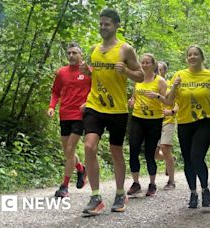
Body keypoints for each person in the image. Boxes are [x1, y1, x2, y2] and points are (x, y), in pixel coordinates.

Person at [82, 8, 144, 215]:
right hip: (94, 105)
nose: (102, 27)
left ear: (116, 25)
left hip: (117, 109)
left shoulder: (125, 49)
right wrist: (86, 72)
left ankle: (119, 194)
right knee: (89, 147)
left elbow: (141, 76)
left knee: (116, 151)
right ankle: (96, 196)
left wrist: (126, 71)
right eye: (100, 23)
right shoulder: (94, 49)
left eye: (107, 24)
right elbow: (97, 74)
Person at [166, 45, 210, 208]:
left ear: (202, 58)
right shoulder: (179, 75)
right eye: (189, 55)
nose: (192, 57)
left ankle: (205, 189)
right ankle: (193, 193)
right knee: (188, 160)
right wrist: (175, 86)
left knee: (196, 156)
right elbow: (169, 100)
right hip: (184, 122)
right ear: (186, 58)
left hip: (203, 121)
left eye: (195, 54)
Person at [48, 42, 91, 198]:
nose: (71, 56)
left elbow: (97, 90)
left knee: (70, 149)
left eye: (74, 53)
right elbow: (55, 92)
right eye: (69, 53)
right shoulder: (62, 72)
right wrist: (52, 106)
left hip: (80, 115)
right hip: (64, 114)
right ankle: (80, 169)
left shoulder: (88, 72)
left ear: (81, 55)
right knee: (67, 151)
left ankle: (64, 186)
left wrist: (89, 103)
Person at [126, 54, 166, 197]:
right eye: (142, 62)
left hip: (154, 120)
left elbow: (168, 101)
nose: (144, 65)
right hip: (137, 118)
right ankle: (136, 183)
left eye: (147, 63)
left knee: (149, 153)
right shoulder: (138, 79)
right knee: (133, 149)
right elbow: (134, 97)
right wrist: (131, 102)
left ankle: (152, 184)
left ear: (153, 64)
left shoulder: (160, 81)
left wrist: (156, 96)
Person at [154, 61, 177, 190]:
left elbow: (179, 102)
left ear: (165, 71)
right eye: (156, 69)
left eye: (160, 69)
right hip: (155, 120)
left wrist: (172, 111)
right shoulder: (151, 84)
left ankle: (171, 181)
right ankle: (171, 159)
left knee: (165, 147)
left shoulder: (170, 85)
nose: (158, 71)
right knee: (154, 154)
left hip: (168, 120)